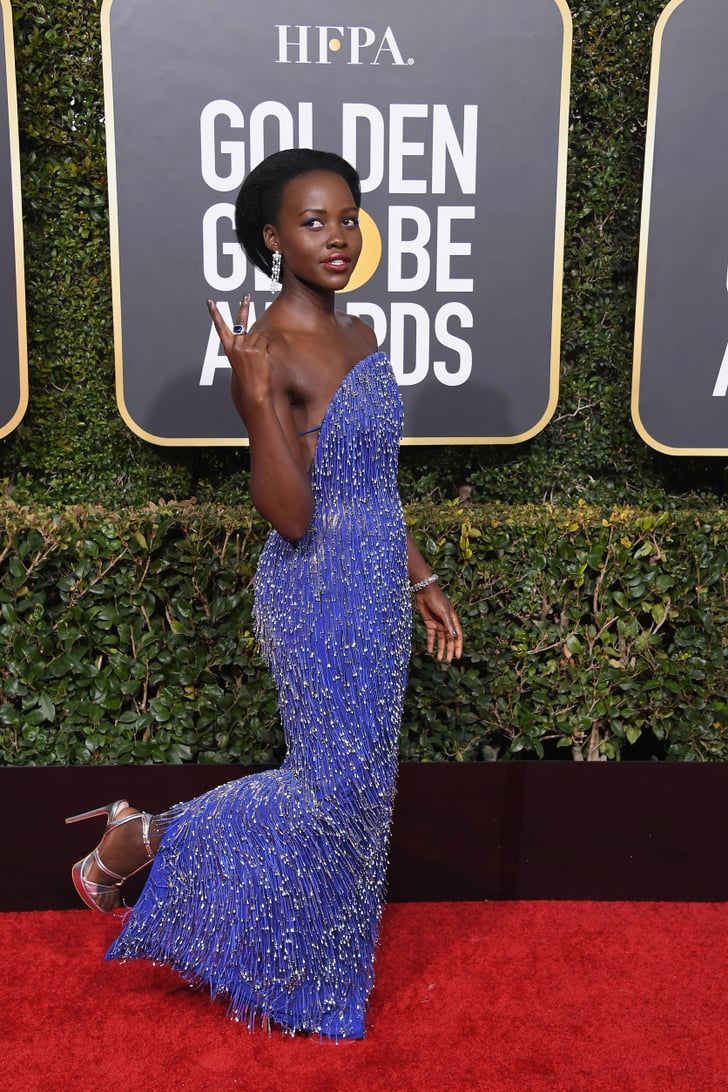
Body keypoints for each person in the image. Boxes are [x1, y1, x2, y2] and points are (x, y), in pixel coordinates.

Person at [66, 148, 463, 1039]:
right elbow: (291, 515)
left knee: (361, 796)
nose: (338, 236)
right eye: (313, 221)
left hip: (376, 589)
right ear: (273, 238)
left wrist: (422, 576)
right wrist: (255, 402)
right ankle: (144, 838)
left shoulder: (364, 334)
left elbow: (371, 485)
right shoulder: (268, 349)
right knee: (328, 789)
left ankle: (316, 967)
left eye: (348, 217)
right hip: (313, 590)